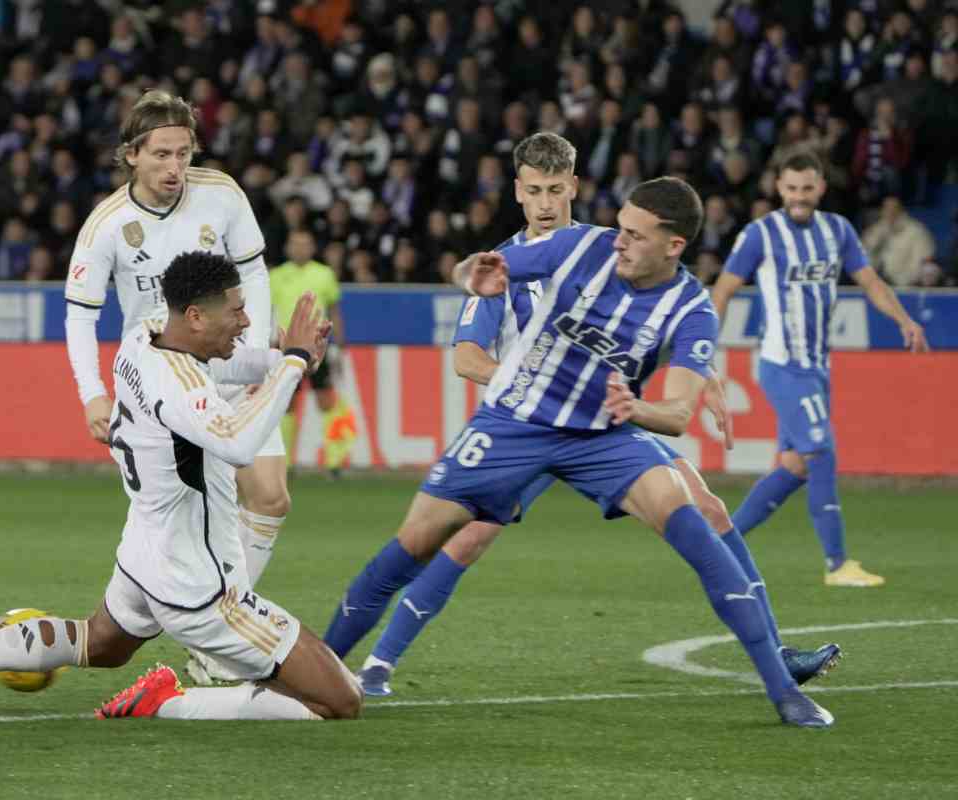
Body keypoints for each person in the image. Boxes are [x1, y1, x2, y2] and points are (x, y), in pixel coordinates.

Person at [323, 177, 835, 728]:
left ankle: (784, 692)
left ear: (674, 246)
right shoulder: (578, 247)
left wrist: (637, 410)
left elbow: (678, 416)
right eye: (621, 228)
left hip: (602, 434)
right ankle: (320, 668)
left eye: (636, 236)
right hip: (515, 421)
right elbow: (484, 267)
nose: (620, 242)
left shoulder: (691, 309)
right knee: (414, 544)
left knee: (692, 517)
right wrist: (468, 274)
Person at [0, 252, 362, 722]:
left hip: (143, 552)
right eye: (235, 311)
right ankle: (167, 701)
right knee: (340, 699)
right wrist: (293, 360)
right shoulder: (180, 387)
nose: (244, 320)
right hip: (198, 587)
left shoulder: (143, 337)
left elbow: (224, 363)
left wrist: (279, 356)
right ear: (195, 316)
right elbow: (237, 443)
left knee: (98, 643)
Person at [62, 91, 292, 685]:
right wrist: (92, 393)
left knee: (268, 497)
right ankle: (204, 627)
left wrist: (256, 351)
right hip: (162, 387)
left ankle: (222, 634)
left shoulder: (222, 194)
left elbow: (255, 271)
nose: (173, 168)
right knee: (188, 523)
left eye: (183, 153)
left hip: (229, 365)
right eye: (161, 154)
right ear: (132, 156)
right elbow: (80, 314)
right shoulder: (108, 226)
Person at [711, 149, 929, 587]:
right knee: (822, 451)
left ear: (821, 188)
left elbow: (870, 282)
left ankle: (718, 541)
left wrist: (904, 320)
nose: (799, 197)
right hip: (782, 364)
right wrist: (704, 350)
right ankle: (837, 565)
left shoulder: (838, 230)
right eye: (791, 189)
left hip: (816, 366)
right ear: (779, 188)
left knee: (796, 465)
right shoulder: (760, 234)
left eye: (807, 189)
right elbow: (723, 291)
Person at [269, 228, 355, 478]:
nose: (300, 248)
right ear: (288, 248)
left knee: (326, 401)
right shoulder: (276, 275)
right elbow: (268, 310)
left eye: (304, 244)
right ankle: (284, 464)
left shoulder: (324, 274)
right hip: (285, 346)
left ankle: (334, 462)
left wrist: (339, 344)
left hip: (318, 346)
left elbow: (335, 310)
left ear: (312, 247)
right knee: (285, 405)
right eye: (295, 244)